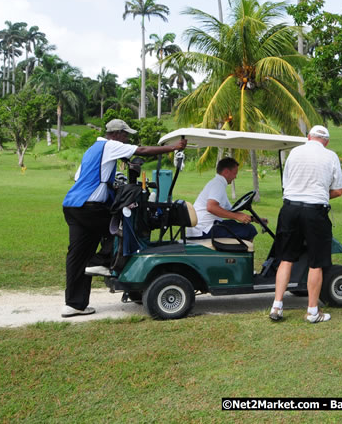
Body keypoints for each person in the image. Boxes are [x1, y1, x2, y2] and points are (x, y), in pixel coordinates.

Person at [61, 119, 187, 318]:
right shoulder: (111, 145)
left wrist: (114, 184)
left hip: (72, 206)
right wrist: (174, 147)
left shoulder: (92, 149)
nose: (127, 138)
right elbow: (142, 150)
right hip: (89, 207)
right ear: (117, 133)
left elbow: (83, 178)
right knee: (125, 228)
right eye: (125, 134)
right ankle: (101, 261)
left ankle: (75, 304)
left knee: (77, 255)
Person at [269, 125, 342, 324]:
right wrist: (318, 194)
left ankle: (276, 305)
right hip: (315, 212)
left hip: (290, 209)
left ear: (308, 137)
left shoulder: (294, 153)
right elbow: (338, 190)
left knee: (286, 258)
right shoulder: (331, 156)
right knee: (316, 262)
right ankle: (312, 311)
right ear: (325, 141)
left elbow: (287, 185)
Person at [186, 157, 259, 241]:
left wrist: (253, 218)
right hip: (204, 229)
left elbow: (231, 210)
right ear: (226, 172)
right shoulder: (218, 184)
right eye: (235, 173)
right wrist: (237, 216)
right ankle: (244, 253)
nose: (235, 177)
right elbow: (211, 207)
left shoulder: (216, 183)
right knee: (249, 230)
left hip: (202, 228)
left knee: (237, 225)